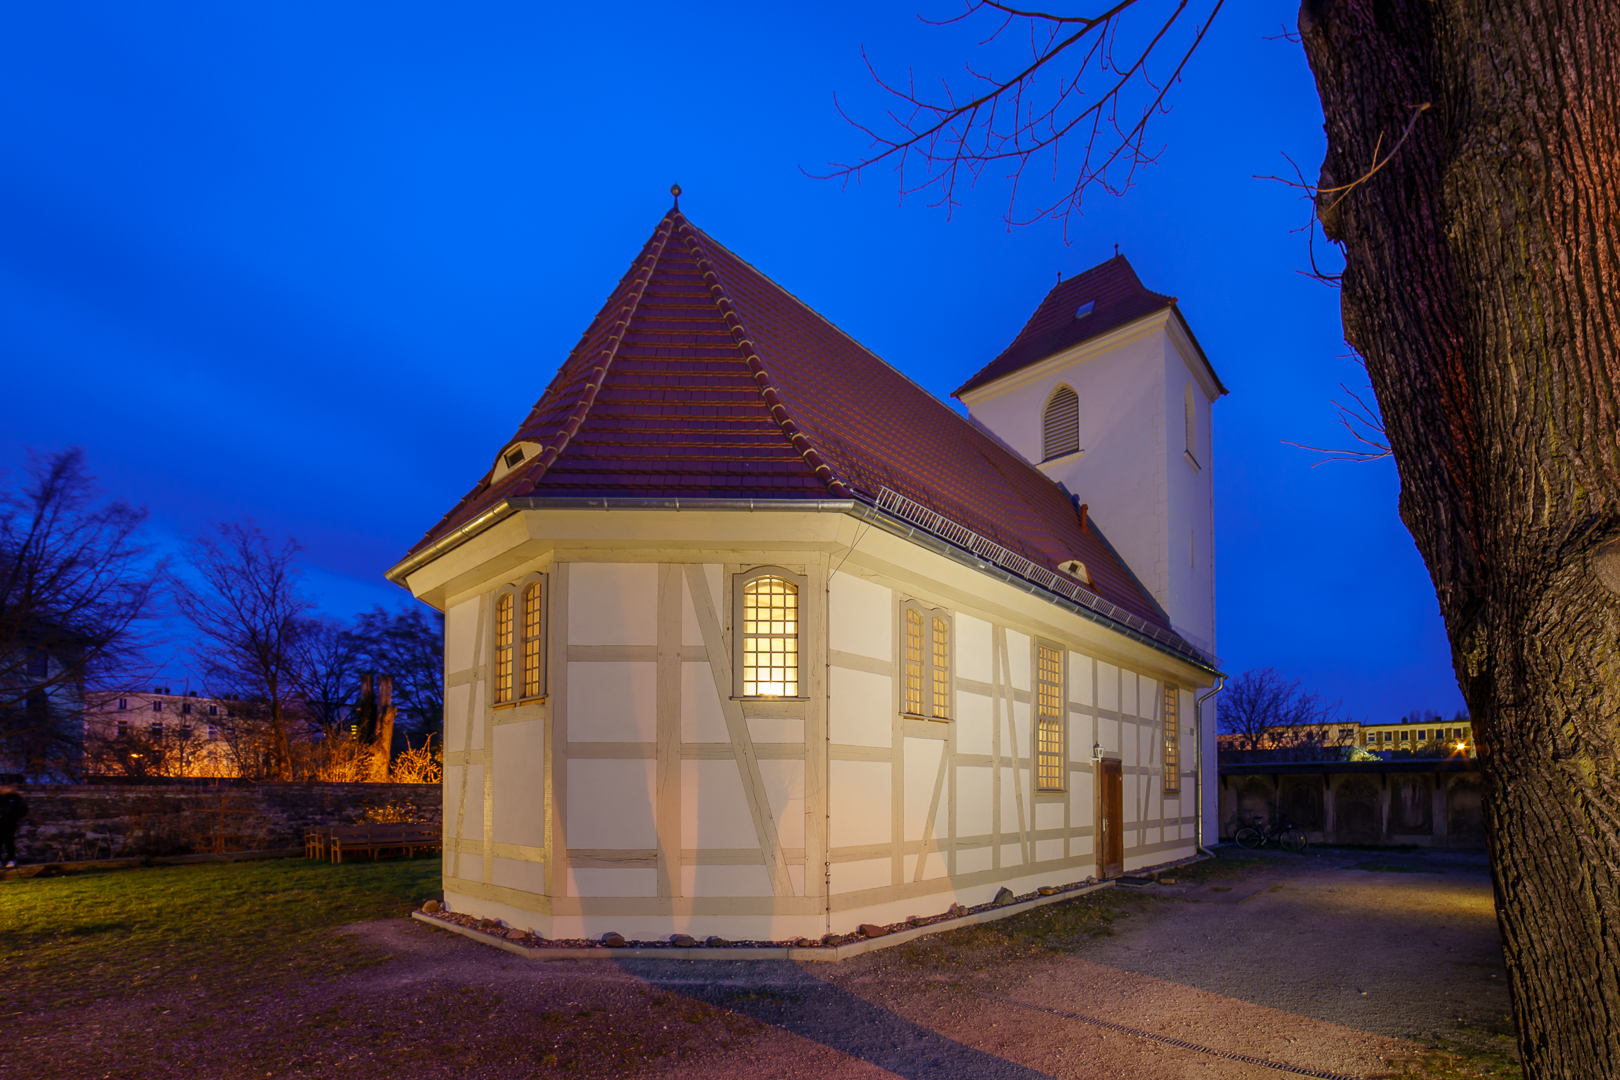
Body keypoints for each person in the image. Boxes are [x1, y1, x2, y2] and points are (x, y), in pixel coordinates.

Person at [0, 784, 27, 868]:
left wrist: (13, 817)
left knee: (9, 841)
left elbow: (23, 810)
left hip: (10, 823)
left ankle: (11, 859)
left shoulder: (16, 798)